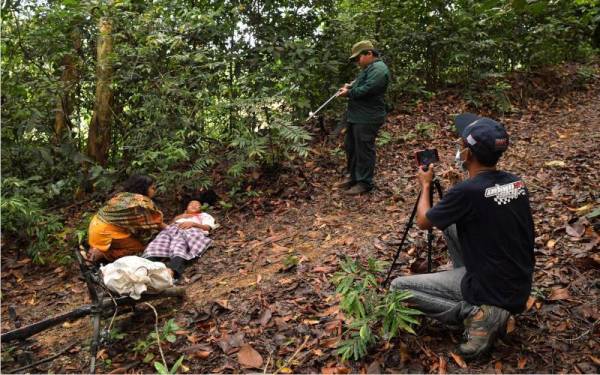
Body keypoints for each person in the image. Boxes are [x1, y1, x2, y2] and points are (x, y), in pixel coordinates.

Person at [391, 114, 535, 359]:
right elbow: (474, 205)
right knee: (450, 224)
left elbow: (424, 221)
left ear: (468, 155)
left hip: (492, 290)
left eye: (461, 146)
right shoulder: (516, 182)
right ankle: (470, 286)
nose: (457, 150)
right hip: (518, 283)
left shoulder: (467, 192)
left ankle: (476, 312)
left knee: (398, 288)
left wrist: (425, 186)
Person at [337, 40, 390, 195]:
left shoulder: (379, 69)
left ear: (369, 53)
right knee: (351, 146)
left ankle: (364, 182)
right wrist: (350, 86)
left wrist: (349, 93)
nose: (357, 62)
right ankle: (353, 176)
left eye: (357, 58)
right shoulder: (369, 68)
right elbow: (360, 84)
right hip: (356, 116)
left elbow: (368, 89)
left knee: (364, 150)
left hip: (368, 117)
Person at [87, 175, 166, 262]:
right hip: (106, 232)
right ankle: (103, 254)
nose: (154, 190)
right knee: (139, 249)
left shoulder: (124, 196)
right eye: (152, 188)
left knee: (133, 240)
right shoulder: (140, 204)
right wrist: (173, 230)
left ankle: (97, 249)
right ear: (144, 189)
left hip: (96, 226)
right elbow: (157, 223)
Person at [143, 200, 217, 279]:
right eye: (191, 204)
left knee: (179, 245)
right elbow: (168, 227)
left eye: (197, 205)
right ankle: (143, 269)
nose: (193, 206)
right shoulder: (180, 217)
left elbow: (208, 227)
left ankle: (171, 273)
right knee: (156, 244)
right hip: (172, 230)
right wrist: (178, 218)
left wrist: (193, 224)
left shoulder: (203, 215)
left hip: (190, 231)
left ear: (201, 208)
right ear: (186, 208)